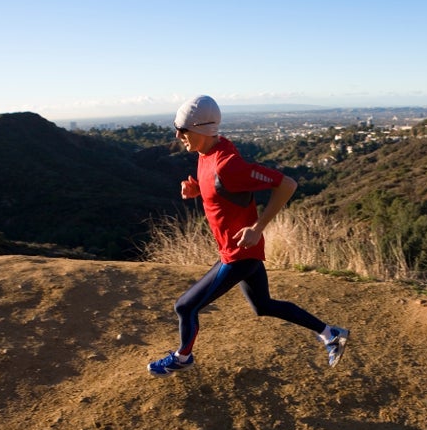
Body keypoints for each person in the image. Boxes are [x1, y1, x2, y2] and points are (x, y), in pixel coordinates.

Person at [147, 95, 349, 376]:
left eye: (182, 129)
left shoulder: (228, 164)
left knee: (185, 307)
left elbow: (287, 185)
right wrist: (198, 190)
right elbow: (223, 191)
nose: (178, 135)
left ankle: (183, 358)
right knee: (263, 306)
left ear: (201, 129)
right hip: (239, 252)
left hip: (239, 254)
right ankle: (331, 334)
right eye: (177, 128)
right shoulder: (205, 154)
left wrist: (258, 227)